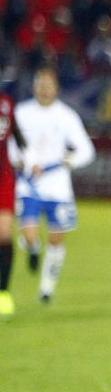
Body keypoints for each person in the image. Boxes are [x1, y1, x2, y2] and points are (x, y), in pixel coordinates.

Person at [9, 65, 95, 305]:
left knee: (56, 239)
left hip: (58, 187)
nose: (45, 90)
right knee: (28, 233)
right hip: (29, 184)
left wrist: (68, 161)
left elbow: (87, 150)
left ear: (56, 88)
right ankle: (33, 248)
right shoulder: (22, 113)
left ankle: (46, 290)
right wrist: (21, 161)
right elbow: (12, 145)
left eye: (49, 85)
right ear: (34, 86)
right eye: (41, 85)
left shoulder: (66, 116)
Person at [0, 87, 24, 318]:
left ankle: (3, 292)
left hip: (3, 178)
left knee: (4, 234)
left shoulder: (6, 102)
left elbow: (18, 136)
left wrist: (28, 157)